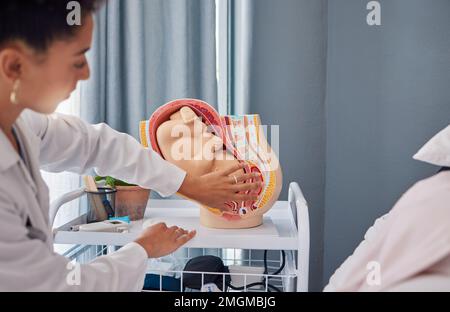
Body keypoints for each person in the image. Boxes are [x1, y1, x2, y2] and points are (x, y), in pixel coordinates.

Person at [0, 0, 260, 291]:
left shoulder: (23, 124)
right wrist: (141, 249)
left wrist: (187, 184)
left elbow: (95, 144)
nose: (86, 73)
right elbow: (58, 286)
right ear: (14, 65)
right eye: (77, 60)